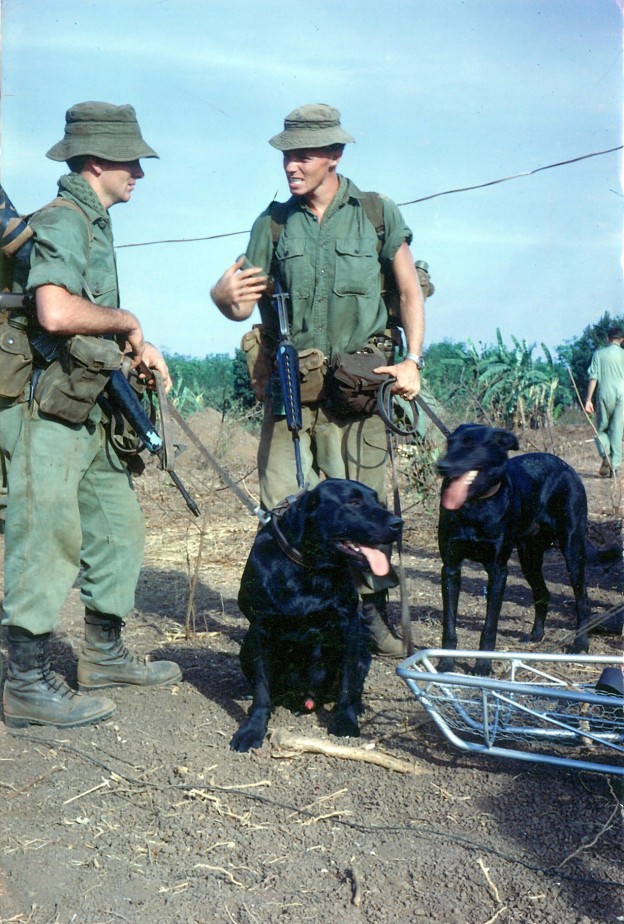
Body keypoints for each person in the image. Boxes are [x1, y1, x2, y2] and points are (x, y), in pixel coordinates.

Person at [211, 103, 425, 656]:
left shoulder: (376, 213)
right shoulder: (274, 223)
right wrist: (222, 298)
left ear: (334, 156)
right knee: (285, 510)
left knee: (368, 510)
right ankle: (286, 619)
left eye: (303, 155)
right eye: (286, 155)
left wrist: (413, 361)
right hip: (294, 393)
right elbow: (240, 303)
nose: (290, 165)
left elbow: (408, 291)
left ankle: (370, 616)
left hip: (363, 390)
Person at [1, 102, 182, 729]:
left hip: (86, 402)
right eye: (131, 161)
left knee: (117, 526)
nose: (139, 172)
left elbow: (86, 315)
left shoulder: (93, 220)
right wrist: (128, 322)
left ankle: (103, 654)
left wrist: (135, 343)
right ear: (98, 162)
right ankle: (25, 682)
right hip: (43, 408)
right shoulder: (65, 218)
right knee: (45, 535)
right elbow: (54, 311)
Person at [584, 325, 624, 478]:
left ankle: (606, 455)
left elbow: (593, 378)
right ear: (621, 340)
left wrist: (588, 399)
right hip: (622, 394)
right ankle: (615, 468)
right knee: (617, 431)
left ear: (608, 339)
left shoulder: (599, 354)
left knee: (601, 430)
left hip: (605, 393)